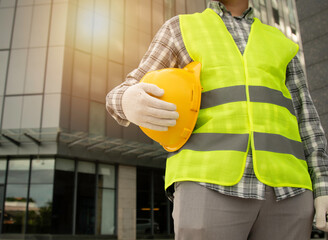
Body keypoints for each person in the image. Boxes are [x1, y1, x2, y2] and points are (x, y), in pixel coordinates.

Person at [106, 0, 328, 239]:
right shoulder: (180, 28)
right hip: (206, 184)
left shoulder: (282, 43)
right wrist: (126, 100)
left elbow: (307, 120)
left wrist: (322, 186)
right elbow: (126, 89)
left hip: (289, 192)